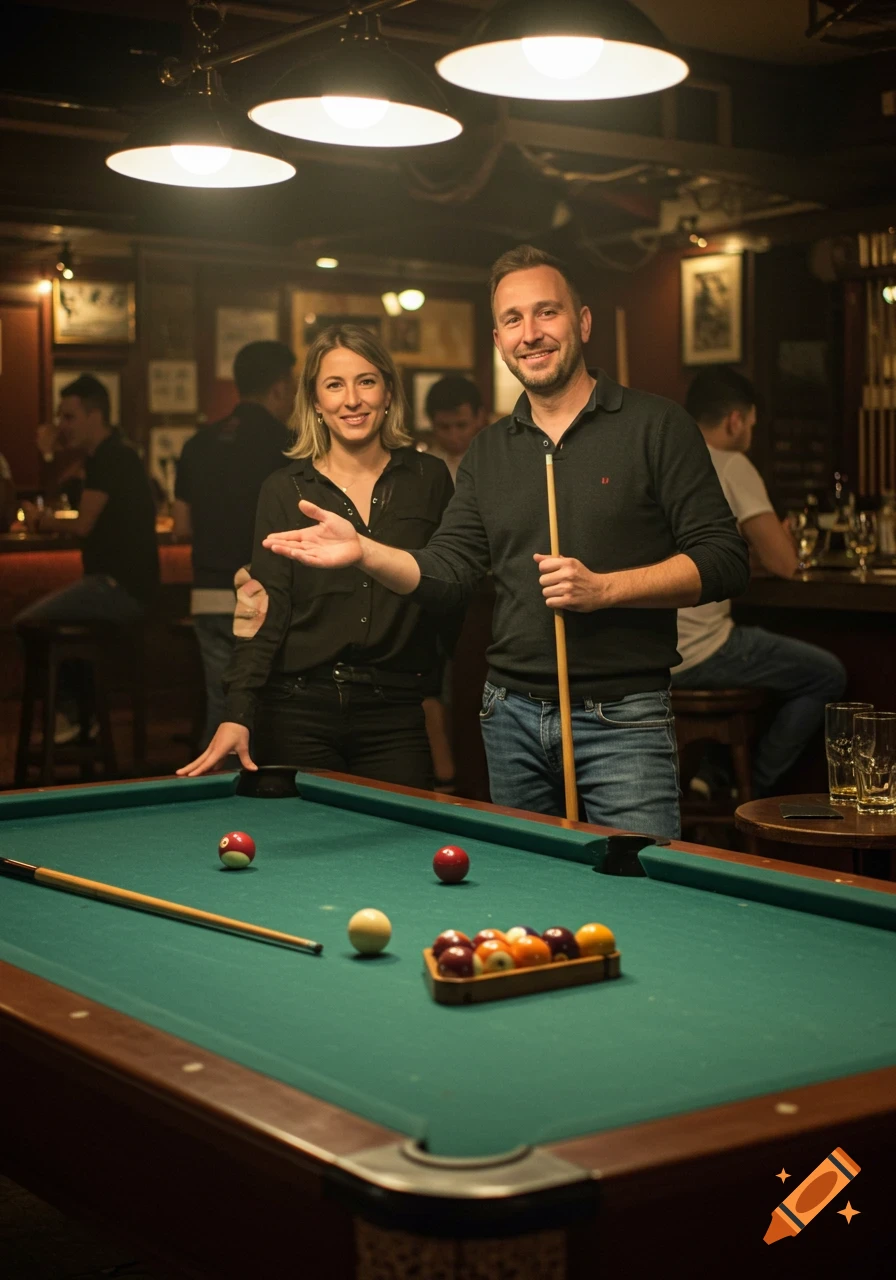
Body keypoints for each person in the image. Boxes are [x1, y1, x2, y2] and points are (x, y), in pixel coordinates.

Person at [254, 245, 751, 838]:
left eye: (547, 312)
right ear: (498, 339)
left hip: (623, 715)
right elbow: (449, 571)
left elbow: (725, 559)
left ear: (583, 322)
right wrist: (365, 550)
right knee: (527, 890)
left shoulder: (656, 425)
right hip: (510, 716)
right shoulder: (489, 451)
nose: (530, 333)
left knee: (636, 878)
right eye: (513, 319)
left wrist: (606, 590)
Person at [177, 324, 455, 788]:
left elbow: (449, 587)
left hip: (394, 713)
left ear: (388, 392)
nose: (353, 400)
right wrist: (238, 712)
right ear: (315, 401)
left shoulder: (429, 479)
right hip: (297, 710)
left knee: (402, 834)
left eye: (366, 381)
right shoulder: (283, 489)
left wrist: (437, 691)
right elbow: (265, 608)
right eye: (335, 385)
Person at [672, 367, 846, 799]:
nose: (751, 432)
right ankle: (750, 790)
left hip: (655, 652)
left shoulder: (666, 458)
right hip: (701, 650)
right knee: (827, 675)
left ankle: (713, 772)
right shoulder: (732, 464)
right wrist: (777, 540)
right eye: (751, 423)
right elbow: (785, 564)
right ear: (735, 420)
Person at [16, 375, 159, 742]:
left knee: (29, 621)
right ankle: (81, 714)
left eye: (68, 417)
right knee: (60, 621)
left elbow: (83, 524)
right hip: (112, 585)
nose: (61, 426)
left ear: (95, 415)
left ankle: (74, 715)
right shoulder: (102, 456)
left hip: (119, 587)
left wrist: (41, 520)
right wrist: (50, 455)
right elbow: (64, 493)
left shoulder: (113, 456)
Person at [172, 341, 297, 748]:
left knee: (222, 704)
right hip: (268, 592)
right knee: (272, 709)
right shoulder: (291, 445)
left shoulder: (196, 444)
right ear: (280, 387)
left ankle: (215, 781)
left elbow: (181, 525)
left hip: (207, 593)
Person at [423, 375, 488, 481]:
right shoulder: (421, 469)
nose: (453, 436)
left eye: (461, 425)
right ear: (432, 423)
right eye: (444, 427)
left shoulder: (499, 463)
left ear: (479, 417)